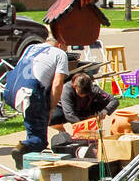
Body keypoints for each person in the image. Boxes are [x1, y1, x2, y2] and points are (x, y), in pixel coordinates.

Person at [9, 25, 69, 168]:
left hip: (11, 90)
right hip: (30, 92)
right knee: (39, 140)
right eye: (67, 46)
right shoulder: (60, 54)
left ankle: (25, 157)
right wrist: (51, 109)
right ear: (60, 44)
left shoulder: (31, 48)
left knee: (32, 124)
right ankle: (25, 155)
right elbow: (57, 84)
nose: (67, 50)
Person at [49, 71, 120, 129]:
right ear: (74, 85)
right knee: (52, 118)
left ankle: (91, 120)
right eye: (81, 94)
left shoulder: (94, 89)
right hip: (67, 109)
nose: (83, 96)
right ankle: (63, 132)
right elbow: (69, 114)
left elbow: (114, 100)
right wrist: (84, 126)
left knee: (104, 102)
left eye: (86, 94)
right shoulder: (66, 90)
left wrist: (104, 111)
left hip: (85, 108)